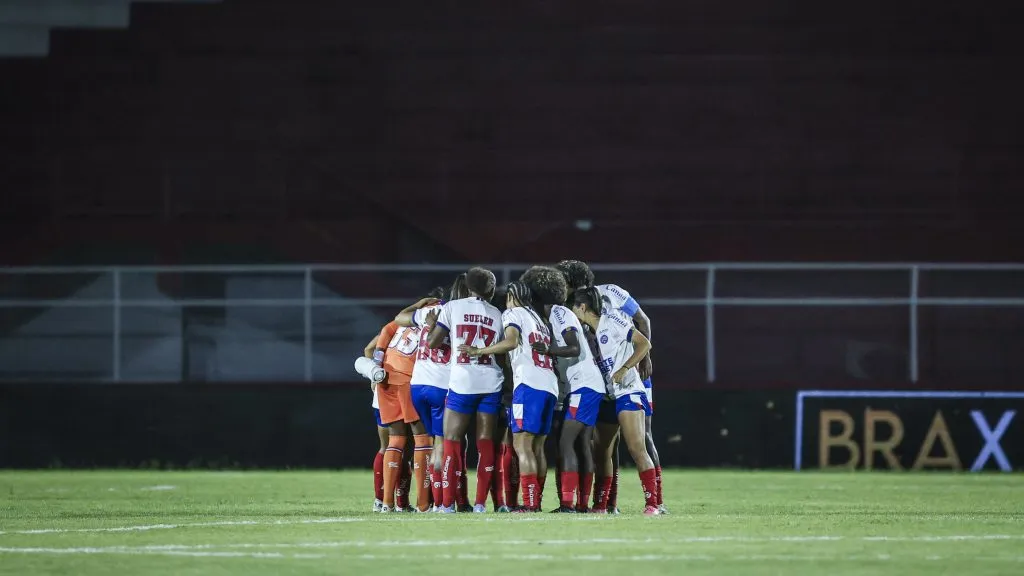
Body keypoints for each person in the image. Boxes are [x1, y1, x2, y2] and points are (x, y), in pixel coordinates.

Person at [556, 260, 665, 513]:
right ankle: (605, 504)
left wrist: (638, 361)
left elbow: (642, 322)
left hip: (629, 380)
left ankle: (656, 501)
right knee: (603, 446)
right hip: (605, 388)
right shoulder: (577, 319)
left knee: (640, 440)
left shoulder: (610, 300)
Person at [460, 266, 568, 512]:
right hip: (549, 385)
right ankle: (535, 502)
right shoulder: (539, 319)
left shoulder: (513, 314)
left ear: (511, 297)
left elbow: (511, 341)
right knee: (537, 446)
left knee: (521, 445)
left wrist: (479, 351)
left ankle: (529, 505)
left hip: (529, 385)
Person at [426, 267, 504, 513]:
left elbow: (433, 342)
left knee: (451, 440)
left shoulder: (452, 307)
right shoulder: (498, 314)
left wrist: (432, 324)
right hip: (491, 381)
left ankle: (447, 504)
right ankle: (481, 504)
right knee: (485, 441)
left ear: (468, 286)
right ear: (490, 289)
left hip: (462, 381)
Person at [395, 280, 465, 511]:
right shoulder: (461, 314)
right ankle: (443, 503)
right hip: (441, 386)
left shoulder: (430, 310)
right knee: (443, 445)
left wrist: (420, 303)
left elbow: (400, 318)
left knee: (434, 443)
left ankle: (434, 501)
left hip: (418, 386)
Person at [534, 296, 606, 513]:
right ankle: (583, 504)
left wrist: (547, 350)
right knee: (582, 442)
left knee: (566, 442)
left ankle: (568, 504)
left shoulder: (558, 312)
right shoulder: (554, 317)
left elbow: (574, 348)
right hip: (587, 385)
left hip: (583, 385)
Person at [373, 292, 438, 513]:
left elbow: (383, 334)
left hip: (386, 378)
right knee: (422, 439)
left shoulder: (401, 321)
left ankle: (387, 503)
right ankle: (423, 504)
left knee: (396, 439)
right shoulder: (434, 318)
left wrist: (377, 367)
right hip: (409, 380)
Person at [363, 335, 389, 512]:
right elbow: (368, 350)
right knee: (409, 447)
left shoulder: (391, 329)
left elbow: (368, 350)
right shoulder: (418, 330)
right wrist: (374, 375)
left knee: (387, 448)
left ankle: (381, 501)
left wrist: (374, 374)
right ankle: (399, 502)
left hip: (384, 392)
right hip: (398, 391)